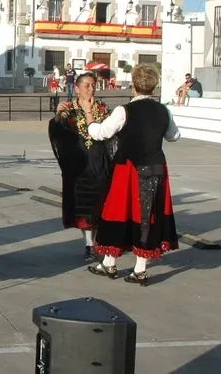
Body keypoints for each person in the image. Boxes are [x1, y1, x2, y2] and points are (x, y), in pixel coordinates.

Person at [84, 63, 180, 287]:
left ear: (134, 87)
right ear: (154, 87)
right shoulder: (163, 110)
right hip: (155, 166)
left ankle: (110, 262)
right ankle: (139, 268)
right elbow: (174, 136)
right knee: (147, 216)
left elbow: (101, 133)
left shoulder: (124, 111)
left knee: (118, 211)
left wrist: (89, 115)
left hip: (128, 168)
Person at [49, 72, 114, 262]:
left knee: (100, 202)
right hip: (78, 165)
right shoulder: (68, 109)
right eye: (86, 85)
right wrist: (57, 118)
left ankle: (101, 240)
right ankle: (89, 245)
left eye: (93, 85)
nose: (90, 89)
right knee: (83, 207)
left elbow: (112, 133)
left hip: (99, 161)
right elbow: (57, 134)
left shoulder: (102, 109)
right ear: (76, 88)